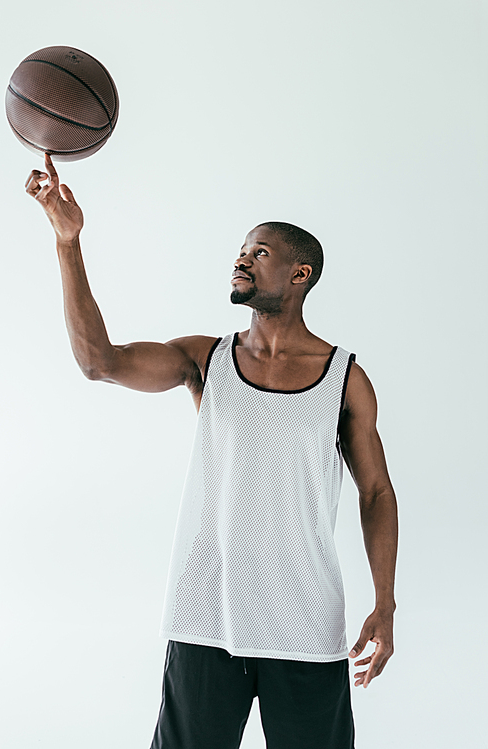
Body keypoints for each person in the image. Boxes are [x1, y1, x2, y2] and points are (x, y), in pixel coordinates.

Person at [25, 154, 398, 749]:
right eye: (242, 249)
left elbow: (376, 492)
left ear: (299, 275)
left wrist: (386, 603)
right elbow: (100, 362)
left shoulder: (344, 378)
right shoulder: (205, 359)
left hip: (302, 620)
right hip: (206, 617)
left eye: (260, 252)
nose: (242, 259)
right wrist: (69, 244)